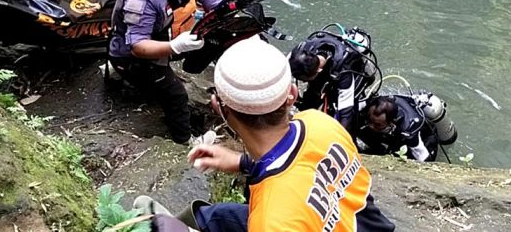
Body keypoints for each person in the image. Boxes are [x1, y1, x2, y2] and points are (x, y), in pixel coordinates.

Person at [179, 38, 394, 231]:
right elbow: (303, 166)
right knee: (217, 217)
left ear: (221, 109)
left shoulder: (270, 221)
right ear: (292, 93)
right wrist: (242, 162)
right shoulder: (322, 123)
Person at [108, 0, 223, 144]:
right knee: (177, 96)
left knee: (219, 38)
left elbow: (215, 5)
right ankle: (185, 141)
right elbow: (138, 45)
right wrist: (174, 47)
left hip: (164, 36)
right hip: (132, 54)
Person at [288, 26, 376, 137]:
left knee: (345, 113)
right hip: (324, 72)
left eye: (304, 80)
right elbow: (281, 76)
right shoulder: (299, 53)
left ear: (318, 70)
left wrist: (339, 138)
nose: (303, 83)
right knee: (310, 101)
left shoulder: (344, 71)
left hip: (355, 74)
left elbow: (346, 112)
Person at [357, 95, 439, 162]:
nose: (371, 126)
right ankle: (379, 149)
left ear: (391, 122)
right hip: (390, 131)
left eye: (377, 124)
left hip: (425, 137)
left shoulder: (408, 129)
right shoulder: (369, 104)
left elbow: (423, 157)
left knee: (397, 154)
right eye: (369, 120)